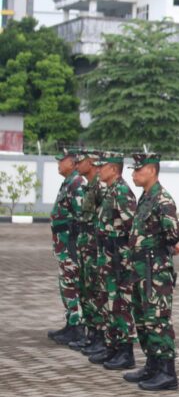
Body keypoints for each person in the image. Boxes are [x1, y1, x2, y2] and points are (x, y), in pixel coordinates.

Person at [124, 153, 179, 390]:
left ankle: (167, 373)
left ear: (151, 170)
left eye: (138, 170)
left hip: (155, 271)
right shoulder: (146, 197)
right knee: (142, 319)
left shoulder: (162, 199)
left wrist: (164, 247)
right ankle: (152, 365)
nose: (133, 174)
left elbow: (173, 233)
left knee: (157, 320)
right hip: (141, 270)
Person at [87, 151, 139, 370]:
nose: (99, 169)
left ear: (114, 169)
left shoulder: (122, 193)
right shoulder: (110, 191)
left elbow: (132, 229)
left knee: (121, 305)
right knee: (109, 304)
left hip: (119, 261)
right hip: (108, 259)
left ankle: (125, 352)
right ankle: (113, 346)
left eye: (103, 166)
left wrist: (126, 260)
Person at [48, 147, 86, 345]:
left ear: (72, 162)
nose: (58, 163)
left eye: (61, 160)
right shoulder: (68, 183)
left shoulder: (77, 183)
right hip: (64, 246)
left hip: (71, 245)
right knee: (66, 285)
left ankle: (78, 328)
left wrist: (77, 246)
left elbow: (82, 217)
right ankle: (71, 324)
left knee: (72, 284)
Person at [68, 149, 104, 352]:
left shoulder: (100, 188)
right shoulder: (90, 187)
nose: (76, 164)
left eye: (80, 161)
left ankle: (99, 336)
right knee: (85, 291)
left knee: (95, 293)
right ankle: (92, 334)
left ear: (91, 163)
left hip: (95, 249)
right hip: (85, 247)